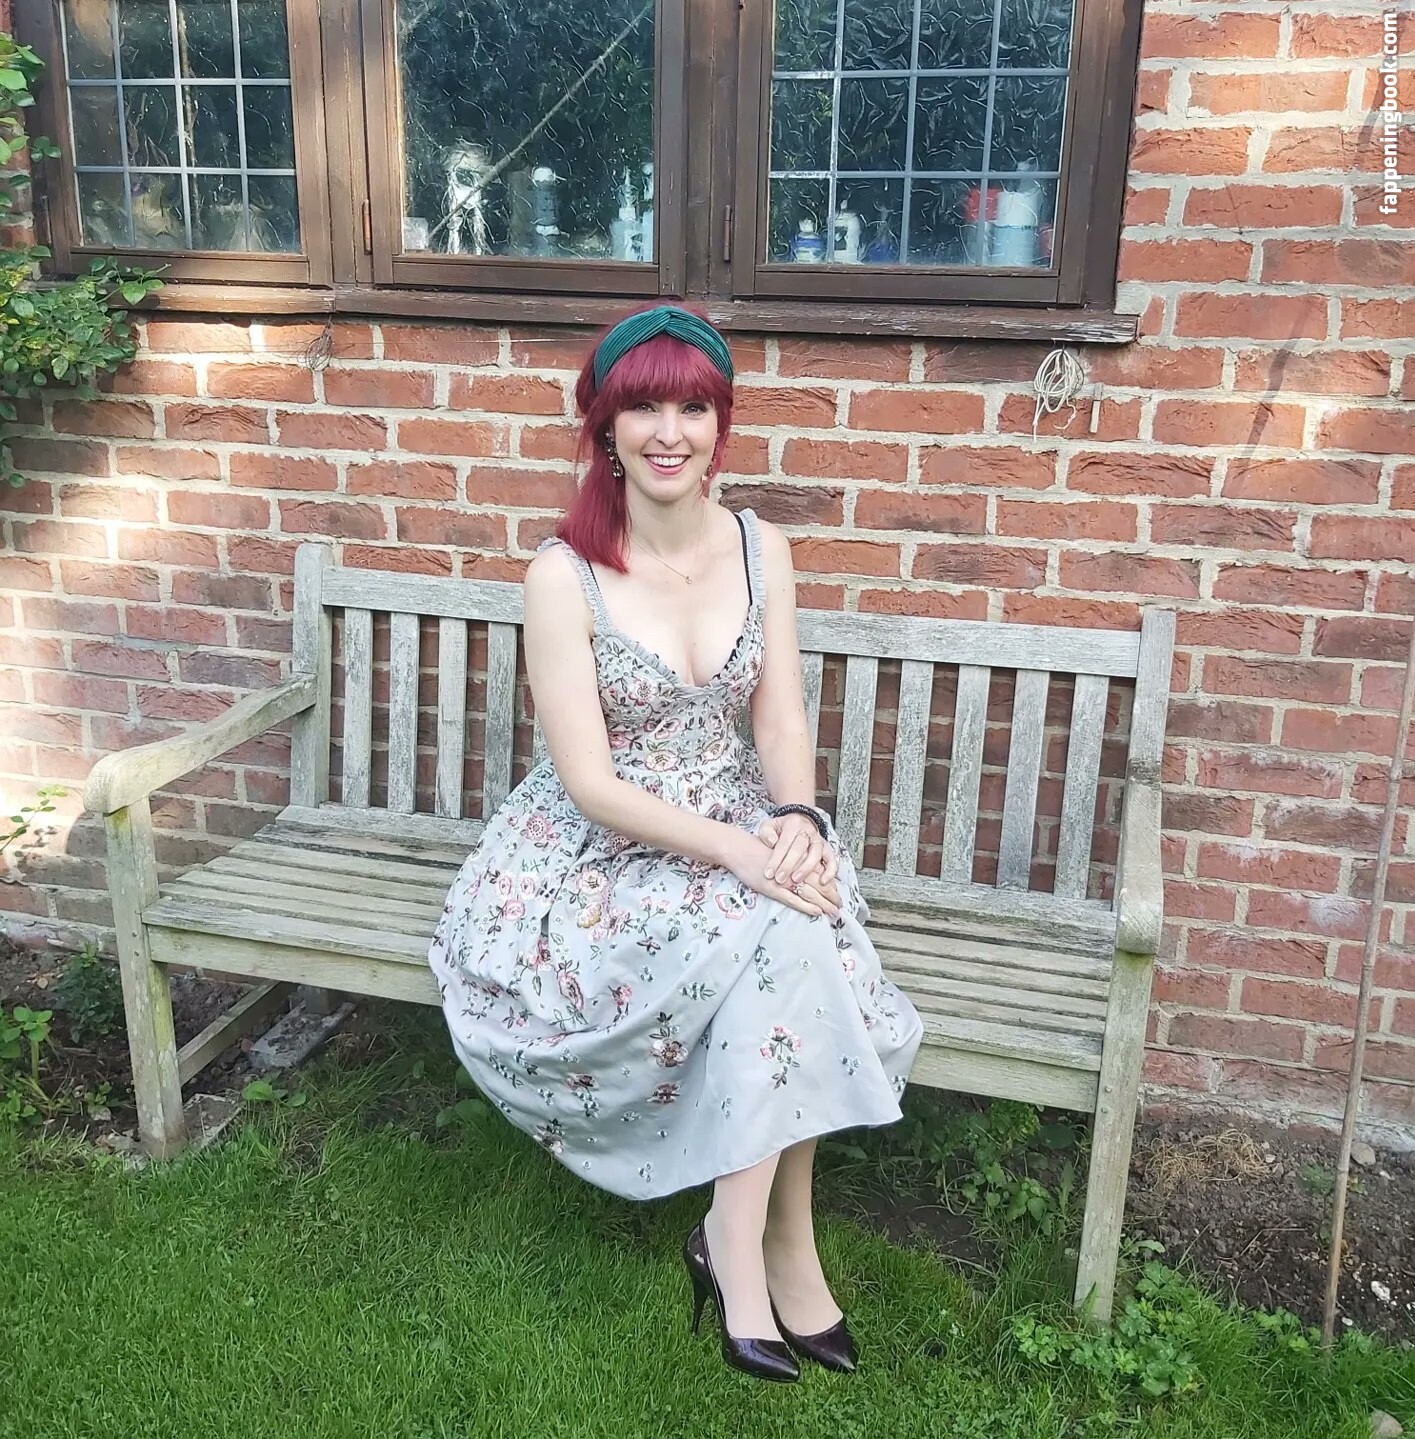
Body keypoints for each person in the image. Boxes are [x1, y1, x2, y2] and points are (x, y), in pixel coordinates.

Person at [428, 304, 924, 1383]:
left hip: (743, 818)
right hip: (603, 854)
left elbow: (778, 718)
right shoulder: (562, 575)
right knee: (783, 933)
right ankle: (759, 1247)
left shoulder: (760, 548)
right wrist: (740, 854)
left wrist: (795, 820)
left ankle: (748, 1238)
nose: (669, 432)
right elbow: (590, 783)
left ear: (718, 423)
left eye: (692, 407)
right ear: (604, 428)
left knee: (795, 929)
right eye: (643, 407)